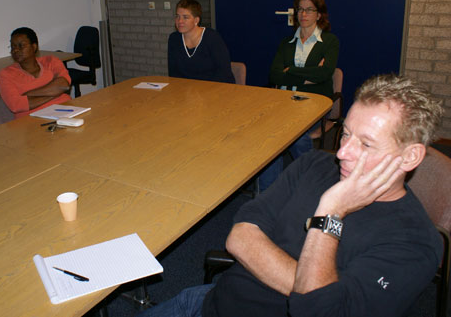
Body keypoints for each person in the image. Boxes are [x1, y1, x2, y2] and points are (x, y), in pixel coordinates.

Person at [138, 74, 444, 317]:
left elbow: (318, 309)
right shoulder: (314, 164)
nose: (342, 152)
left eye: (366, 144)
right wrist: (305, 284)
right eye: (346, 134)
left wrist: (330, 213)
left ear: (410, 157)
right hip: (207, 300)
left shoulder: (415, 244)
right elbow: (239, 237)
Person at [257, 0, 340, 191]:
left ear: (319, 14)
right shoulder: (287, 43)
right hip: (285, 101)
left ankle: (309, 178)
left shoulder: (329, 41)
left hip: (315, 102)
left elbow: (324, 74)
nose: (303, 14)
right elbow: (274, 76)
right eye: (300, 9)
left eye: (309, 9)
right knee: (272, 132)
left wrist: (291, 70)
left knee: (289, 134)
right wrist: (308, 74)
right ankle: (274, 193)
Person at [0, 27, 72, 118]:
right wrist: (55, 93)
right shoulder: (6, 74)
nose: (15, 50)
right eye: (13, 47)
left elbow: (64, 85)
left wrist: (27, 94)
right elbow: (16, 105)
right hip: (31, 120)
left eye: (21, 46)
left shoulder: (51, 61)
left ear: (34, 47)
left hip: (65, 110)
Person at [168, 0, 235, 83]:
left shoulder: (212, 38)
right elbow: (173, 74)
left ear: (196, 20)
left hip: (216, 87)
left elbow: (224, 72)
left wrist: (201, 90)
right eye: (177, 16)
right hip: (187, 89)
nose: (180, 21)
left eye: (185, 17)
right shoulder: (174, 39)